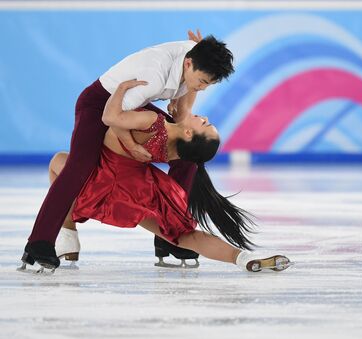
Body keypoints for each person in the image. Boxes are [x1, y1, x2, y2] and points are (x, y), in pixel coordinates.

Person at [19, 80, 292, 274]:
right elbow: (184, 110)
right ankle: (241, 257)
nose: (205, 117)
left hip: (102, 184)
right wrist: (193, 84)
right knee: (185, 236)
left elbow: (110, 117)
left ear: (189, 133)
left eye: (205, 124)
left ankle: (68, 234)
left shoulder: (151, 122)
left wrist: (120, 90)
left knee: (58, 163)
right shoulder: (175, 149)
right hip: (140, 192)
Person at [22, 31, 231, 269]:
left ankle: (170, 234)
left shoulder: (196, 57)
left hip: (128, 105)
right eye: (202, 81)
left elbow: (183, 114)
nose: (202, 87)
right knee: (79, 168)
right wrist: (131, 146)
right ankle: (39, 240)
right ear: (188, 63)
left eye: (208, 84)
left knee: (186, 156)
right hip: (100, 105)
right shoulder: (154, 75)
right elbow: (113, 117)